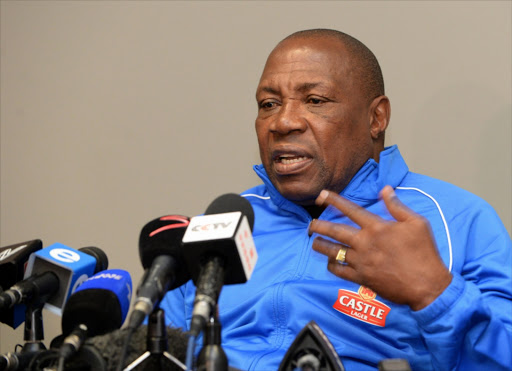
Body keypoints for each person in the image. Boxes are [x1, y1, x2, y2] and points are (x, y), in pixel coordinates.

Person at [161, 29, 512, 370]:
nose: (282, 122)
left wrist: (434, 293)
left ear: (376, 118)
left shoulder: (456, 219)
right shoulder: (226, 223)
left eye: (315, 101)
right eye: (269, 104)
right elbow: (160, 348)